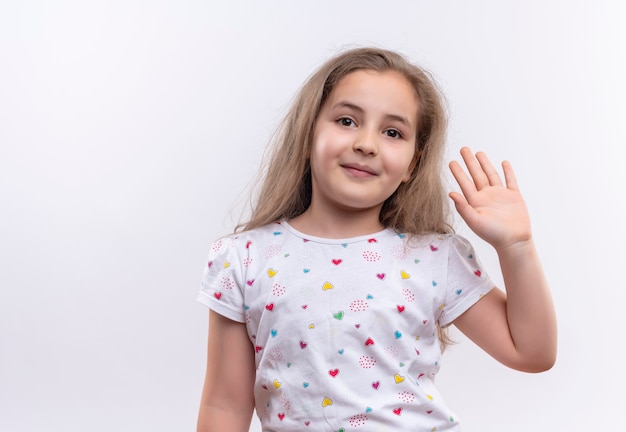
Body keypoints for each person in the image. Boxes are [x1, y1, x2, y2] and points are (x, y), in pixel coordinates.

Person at [196, 47, 557, 431]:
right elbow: (225, 406)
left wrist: (516, 248)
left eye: (392, 132)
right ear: (307, 136)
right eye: (347, 120)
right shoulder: (245, 257)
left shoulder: (435, 256)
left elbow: (531, 353)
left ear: (411, 165)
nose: (367, 144)